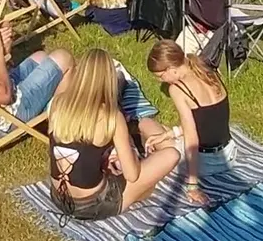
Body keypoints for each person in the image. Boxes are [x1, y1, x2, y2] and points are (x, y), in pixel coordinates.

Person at [47, 49, 182, 220]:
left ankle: (140, 191)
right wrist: (132, 152)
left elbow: (70, 148)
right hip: (94, 205)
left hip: (59, 197)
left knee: (144, 186)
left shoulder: (58, 103)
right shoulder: (110, 116)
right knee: (171, 154)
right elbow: (132, 175)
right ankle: (139, 193)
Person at [147, 40, 231, 207]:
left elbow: (192, 137)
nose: (161, 81)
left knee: (147, 126)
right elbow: (207, 120)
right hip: (228, 153)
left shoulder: (178, 89)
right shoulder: (207, 71)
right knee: (163, 132)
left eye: (160, 76)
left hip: (207, 163)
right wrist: (171, 133)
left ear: (171, 69)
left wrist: (193, 185)